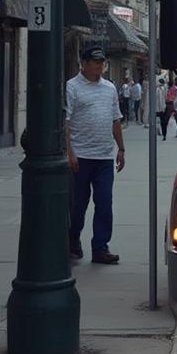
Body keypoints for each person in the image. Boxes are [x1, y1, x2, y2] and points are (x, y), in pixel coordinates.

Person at [66, 45, 124, 264]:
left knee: (104, 203)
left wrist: (122, 148)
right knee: (78, 204)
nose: (100, 66)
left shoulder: (109, 88)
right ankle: (73, 240)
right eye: (95, 62)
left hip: (103, 157)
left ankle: (100, 247)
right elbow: (67, 122)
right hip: (81, 156)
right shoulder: (72, 87)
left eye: (102, 62)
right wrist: (70, 151)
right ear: (83, 63)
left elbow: (115, 119)